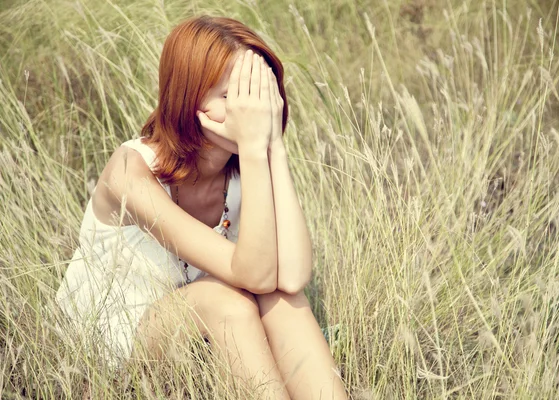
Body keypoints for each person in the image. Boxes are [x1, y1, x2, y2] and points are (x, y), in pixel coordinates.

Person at [54, 15, 348, 400]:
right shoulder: (131, 170)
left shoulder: (243, 171)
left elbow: (292, 277)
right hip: (117, 337)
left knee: (283, 298)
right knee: (226, 299)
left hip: (203, 331)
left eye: (259, 95)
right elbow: (253, 276)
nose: (252, 112)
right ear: (190, 100)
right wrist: (257, 150)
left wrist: (273, 146)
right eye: (233, 97)